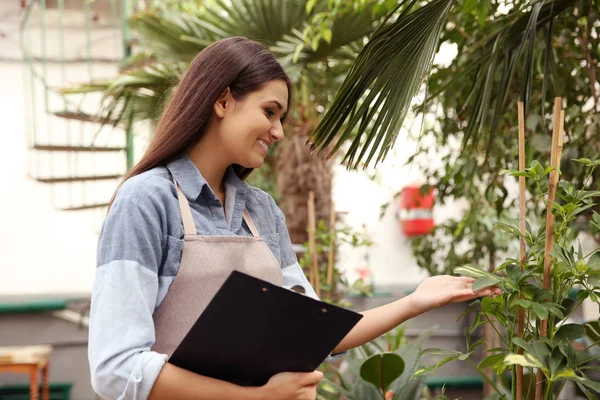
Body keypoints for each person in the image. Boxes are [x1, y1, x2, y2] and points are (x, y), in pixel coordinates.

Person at [88, 36, 502, 400]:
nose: (279, 131)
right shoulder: (145, 202)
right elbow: (116, 369)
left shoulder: (261, 212)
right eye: (270, 112)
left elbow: (316, 336)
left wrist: (415, 301)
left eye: (281, 117)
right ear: (222, 100)